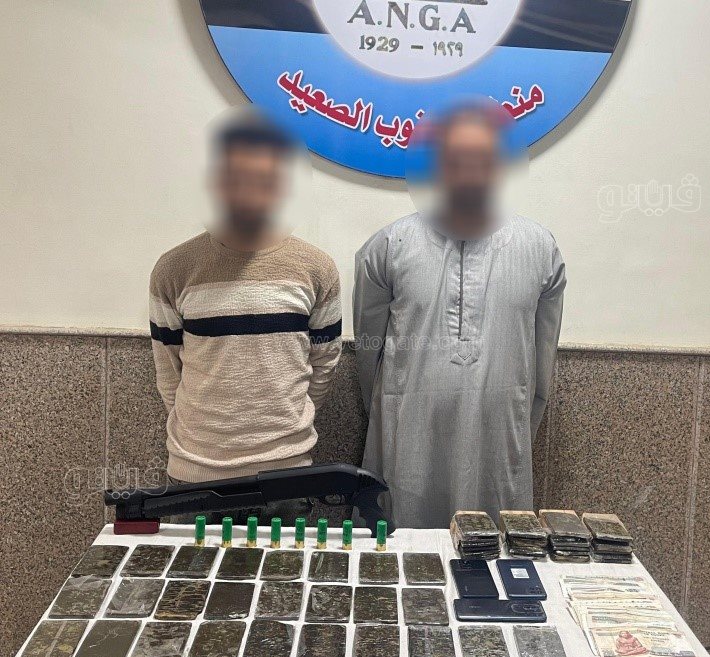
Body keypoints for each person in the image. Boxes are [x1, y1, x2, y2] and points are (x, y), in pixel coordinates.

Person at [353, 102, 566, 528]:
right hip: (408, 448)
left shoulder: (540, 250)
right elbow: (368, 363)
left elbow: (539, 371)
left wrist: (511, 430)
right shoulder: (389, 247)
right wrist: (399, 413)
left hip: (498, 451)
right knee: (405, 553)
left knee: (495, 554)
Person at [149, 110, 342, 522]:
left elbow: (324, 364)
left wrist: (285, 433)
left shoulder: (316, 269)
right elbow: (168, 372)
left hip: (287, 479)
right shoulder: (174, 269)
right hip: (195, 479)